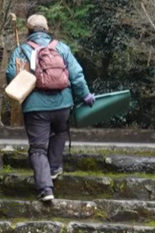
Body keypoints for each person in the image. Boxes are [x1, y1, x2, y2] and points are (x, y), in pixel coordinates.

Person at [8, 13, 93, 206]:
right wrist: (86, 95)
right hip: (63, 104)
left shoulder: (21, 51)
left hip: (35, 107)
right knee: (60, 132)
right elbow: (77, 74)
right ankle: (54, 168)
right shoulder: (61, 48)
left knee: (38, 148)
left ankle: (45, 188)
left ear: (28, 31)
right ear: (46, 29)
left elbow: (11, 75)